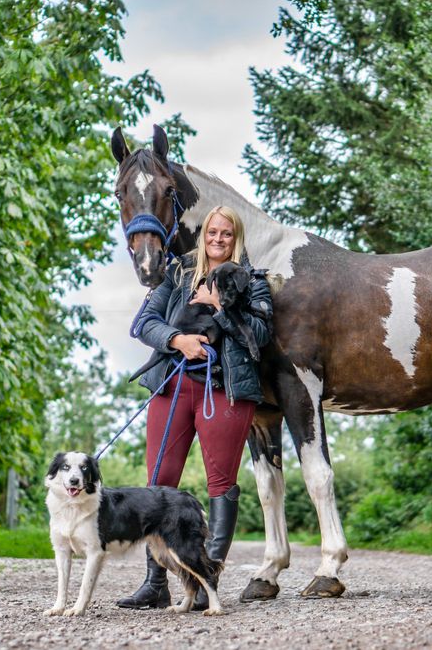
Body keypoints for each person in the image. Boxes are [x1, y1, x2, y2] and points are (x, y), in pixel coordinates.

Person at [117, 205, 273, 610]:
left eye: (227, 234)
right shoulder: (178, 273)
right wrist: (177, 340)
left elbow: (259, 334)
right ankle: (155, 583)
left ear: (236, 239)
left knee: (220, 483)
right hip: (171, 387)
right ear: (203, 235)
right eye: (212, 232)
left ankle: (207, 582)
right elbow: (143, 323)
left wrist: (220, 306)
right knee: (159, 481)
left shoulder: (253, 282)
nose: (218, 239)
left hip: (223, 390)